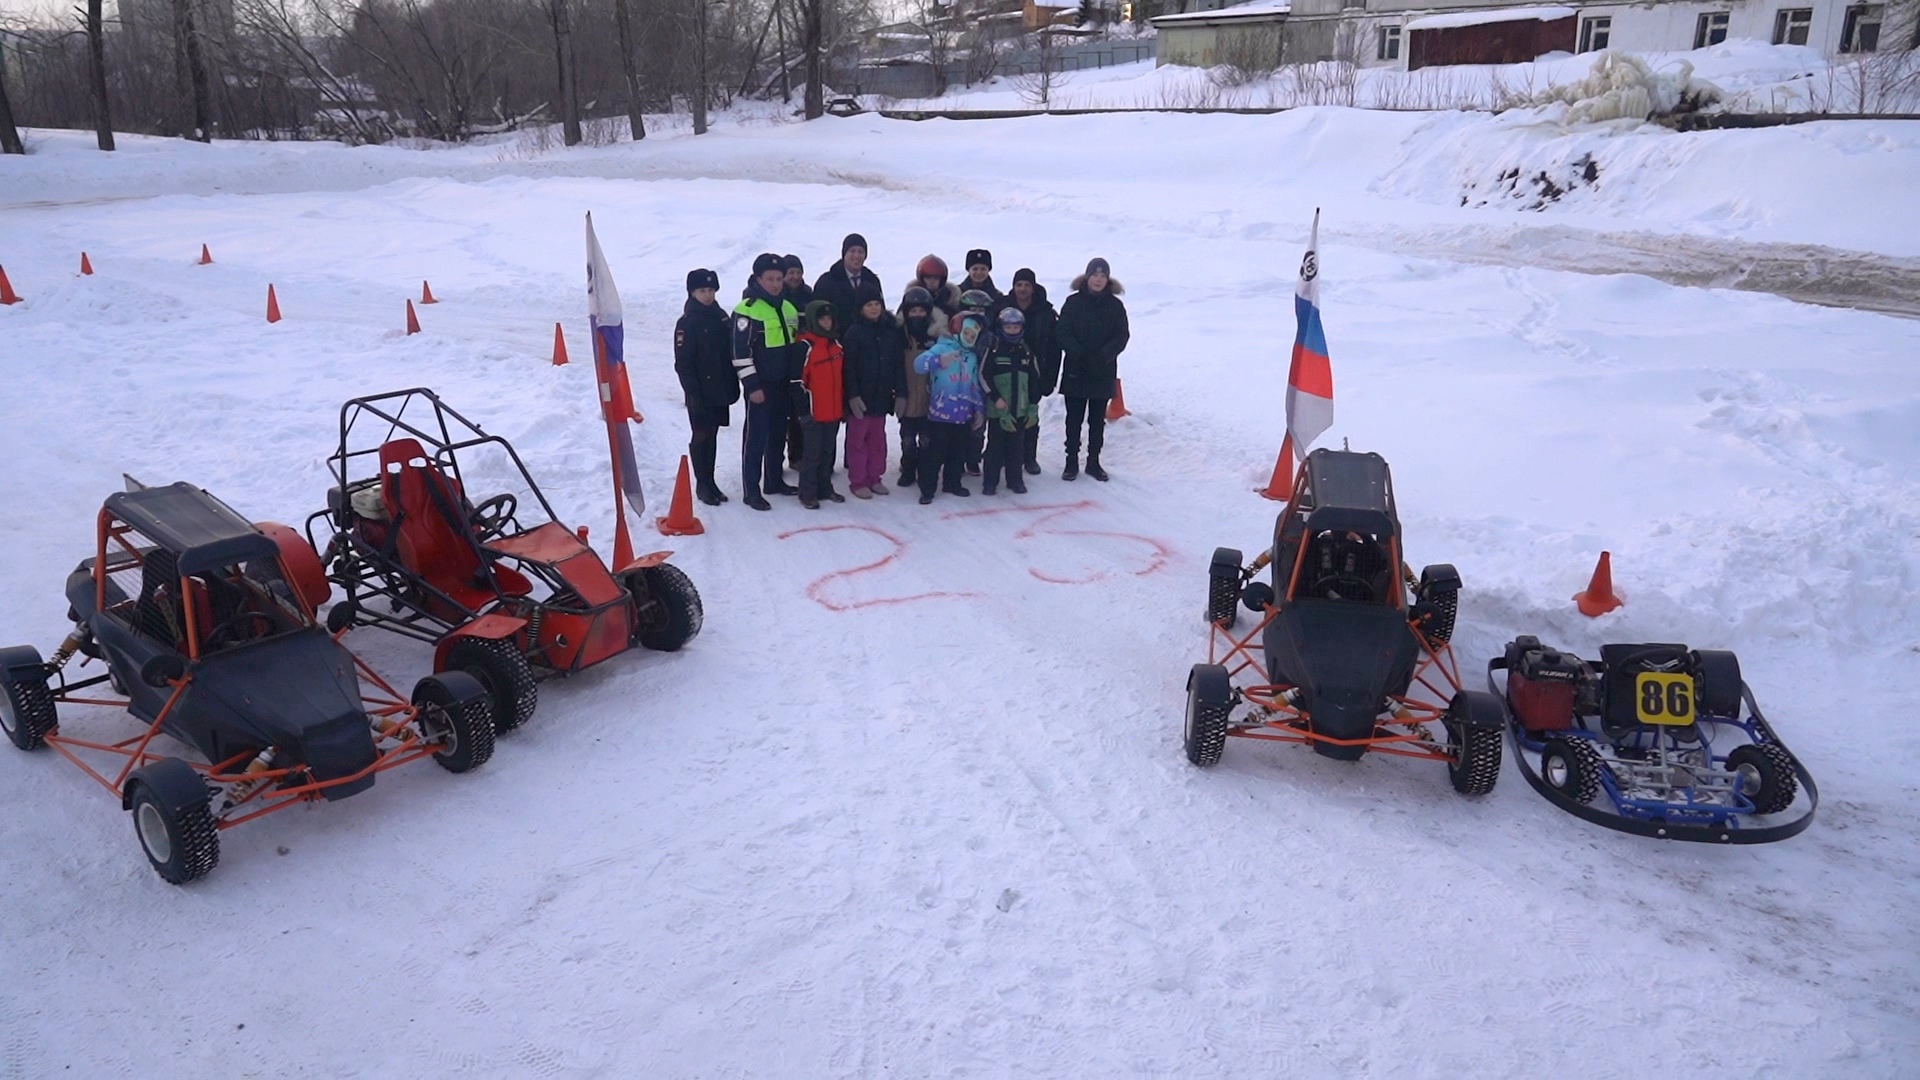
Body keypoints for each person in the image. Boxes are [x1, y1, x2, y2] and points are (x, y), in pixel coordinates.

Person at [733, 252, 805, 510]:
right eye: (770, 279)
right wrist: (752, 386)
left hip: (783, 385)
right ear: (757, 279)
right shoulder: (746, 311)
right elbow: (739, 354)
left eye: (779, 279)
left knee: (777, 435)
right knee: (756, 437)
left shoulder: (788, 307)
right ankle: (751, 489)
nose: (776, 284)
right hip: (760, 388)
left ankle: (773, 481)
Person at [1055, 257, 1129, 483]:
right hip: (1076, 369)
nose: (1098, 280)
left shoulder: (1115, 306)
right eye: (1095, 275)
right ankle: (1071, 462)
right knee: (1073, 419)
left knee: (1097, 421)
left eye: (1103, 276)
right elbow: (1062, 332)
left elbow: (1122, 335)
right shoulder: (1073, 302)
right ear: (1087, 277)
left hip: (1102, 370)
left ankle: (1094, 462)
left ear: (1108, 279)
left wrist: (1104, 356)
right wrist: (1078, 353)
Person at [673, 267, 738, 506]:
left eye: (711, 290)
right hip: (700, 392)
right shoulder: (687, 323)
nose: (708, 295)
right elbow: (683, 363)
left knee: (713, 434)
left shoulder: (721, 317)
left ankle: (711, 481)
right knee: (701, 435)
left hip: (719, 389)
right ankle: (702, 483)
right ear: (692, 292)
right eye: (703, 290)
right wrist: (692, 393)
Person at [990, 268, 1059, 477]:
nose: (1022, 289)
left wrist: (1050, 378)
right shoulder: (1002, 306)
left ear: (1033, 287)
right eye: (1019, 284)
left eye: (1027, 285)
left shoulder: (1045, 311)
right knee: (1003, 413)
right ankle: (1000, 455)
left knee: (1029, 414)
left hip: (1034, 370)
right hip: (1004, 367)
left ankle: (1029, 457)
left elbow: (1055, 347)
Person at [912, 312, 986, 504]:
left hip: (962, 416)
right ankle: (927, 488)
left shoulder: (971, 357)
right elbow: (918, 365)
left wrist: (978, 408)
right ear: (957, 329)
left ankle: (952, 483)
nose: (970, 338)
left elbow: (974, 385)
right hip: (940, 415)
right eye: (967, 332)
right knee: (934, 454)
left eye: (973, 336)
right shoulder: (941, 347)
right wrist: (939, 360)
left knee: (958, 452)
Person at [841, 296, 902, 499]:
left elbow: (897, 363)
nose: (874, 308)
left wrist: (899, 392)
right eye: (869, 305)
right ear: (860, 309)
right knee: (858, 439)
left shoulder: (889, 330)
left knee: (878, 439)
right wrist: (853, 395)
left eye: (877, 304)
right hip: (861, 396)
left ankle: (875, 477)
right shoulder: (854, 332)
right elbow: (848, 367)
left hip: (882, 395)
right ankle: (858, 480)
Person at [979, 307, 1039, 496]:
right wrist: (995, 398)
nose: (1012, 331)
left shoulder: (1026, 351)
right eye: (1008, 327)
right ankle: (990, 482)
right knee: (994, 447)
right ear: (1001, 327)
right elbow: (983, 375)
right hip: (999, 409)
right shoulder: (994, 349)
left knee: (1016, 447)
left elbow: (1035, 379)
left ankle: (1015, 480)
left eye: (1016, 327)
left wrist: (1033, 405)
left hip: (1019, 409)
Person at [895, 284, 946, 490]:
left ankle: (925, 470)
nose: (917, 315)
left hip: (929, 398)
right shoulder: (899, 335)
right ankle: (908, 468)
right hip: (906, 395)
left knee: (927, 440)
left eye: (921, 311)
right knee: (907, 439)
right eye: (912, 311)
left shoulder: (935, 337)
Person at [796, 301, 846, 509]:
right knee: (812, 454)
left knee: (828, 452)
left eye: (829, 318)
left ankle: (825, 488)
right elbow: (796, 383)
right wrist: (803, 412)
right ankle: (807, 492)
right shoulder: (805, 346)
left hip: (833, 409)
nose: (826, 322)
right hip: (814, 411)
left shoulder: (836, 345)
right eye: (821, 319)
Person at [954, 288, 997, 475]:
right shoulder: (954, 334)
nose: (977, 314)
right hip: (957, 385)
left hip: (980, 388)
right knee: (958, 424)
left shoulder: (990, 338)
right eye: (973, 310)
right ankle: (956, 458)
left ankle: (973, 459)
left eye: (981, 311)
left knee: (978, 426)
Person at [813, 233, 885, 336]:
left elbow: (881, 313)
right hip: (837, 344)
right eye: (852, 251)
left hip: (869, 343)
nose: (856, 255)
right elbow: (818, 317)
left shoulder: (872, 280)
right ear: (844, 254)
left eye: (860, 251)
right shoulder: (826, 282)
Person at [781, 254, 814, 471]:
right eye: (790, 272)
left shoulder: (808, 294)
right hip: (781, 356)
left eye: (798, 272)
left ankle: (798, 454)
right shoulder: (777, 295)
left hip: (802, 358)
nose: (795, 276)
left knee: (799, 411)